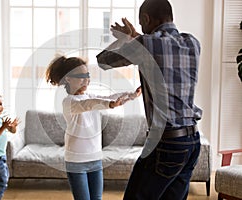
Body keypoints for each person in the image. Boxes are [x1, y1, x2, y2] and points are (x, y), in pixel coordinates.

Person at [96, 0, 202, 199]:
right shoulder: (193, 43)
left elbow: (103, 61)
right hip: (191, 142)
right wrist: (136, 36)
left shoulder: (146, 44)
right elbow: (159, 48)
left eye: (142, 23)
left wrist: (125, 38)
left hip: (166, 143)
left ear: (146, 18)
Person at [45, 55, 141, 200]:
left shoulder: (89, 95)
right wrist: (109, 105)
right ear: (68, 79)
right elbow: (90, 104)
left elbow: (109, 97)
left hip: (95, 158)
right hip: (76, 161)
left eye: (87, 75)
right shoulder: (69, 102)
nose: (86, 80)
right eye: (81, 76)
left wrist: (132, 95)